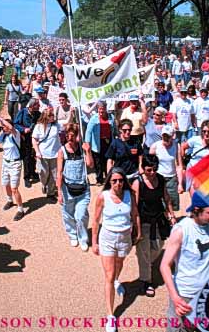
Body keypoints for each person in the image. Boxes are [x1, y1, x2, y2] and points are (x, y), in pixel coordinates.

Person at [160, 193, 209, 332]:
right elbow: (164, 266)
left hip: (208, 293)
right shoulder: (181, 230)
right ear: (197, 210)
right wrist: (175, 298)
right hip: (185, 295)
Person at [92, 167, 141, 332]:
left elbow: (135, 214)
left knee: (119, 263)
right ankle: (111, 315)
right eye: (114, 181)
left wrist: (138, 231)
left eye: (120, 180)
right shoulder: (103, 197)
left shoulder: (130, 195)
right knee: (109, 275)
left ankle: (117, 281)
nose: (118, 184)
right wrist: (94, 242)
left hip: (125, 237)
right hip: (107, 238)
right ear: (109, 182)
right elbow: (96, 220)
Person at [132, 154, 176, 298]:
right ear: (143, 169)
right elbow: (134, 206)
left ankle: (145, 263)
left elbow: (166, 198)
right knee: (144, 251)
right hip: (143, 221)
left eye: (154, 169)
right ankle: (146, 281)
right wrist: (134, 226)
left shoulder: (161, 180)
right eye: (149, 170)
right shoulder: (138, 183)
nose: (152, 173)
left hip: (158, 220)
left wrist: (172, 215)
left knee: (158, 246)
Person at [57, 123, 94, 250]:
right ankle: (73, 235)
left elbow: (90, 165)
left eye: (72, 135)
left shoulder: (83, 149)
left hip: (83, 188)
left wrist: (88, 151)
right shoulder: (62, 151)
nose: (70, 138)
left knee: (81, 215)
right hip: (68, 189)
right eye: (68, 135)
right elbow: (59, 172)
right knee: (68, 214)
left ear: (77, 135)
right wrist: (59, 192)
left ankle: (83, 238)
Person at [0, 115, 25, 221]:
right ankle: (10, 201)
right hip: (5, 163)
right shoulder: (4, 136)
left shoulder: (15, 134)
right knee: (6, 184)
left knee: (14, 188)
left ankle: (20, 209)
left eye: (3, 126)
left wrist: (0, 118)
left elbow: (11, 127)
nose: (2, 128)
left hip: (15, 164)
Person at [181, 120, 209, 195]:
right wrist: (183, 164)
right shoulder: (195, 140)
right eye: (204, 131)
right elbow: (183, 146)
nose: (206, 133)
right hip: (193, 170)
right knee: (194, 198)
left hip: (207, 174)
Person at [149, 125, 183, 210]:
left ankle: (172, 221)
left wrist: (180, 184)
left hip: (171, 178)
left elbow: (179, 166)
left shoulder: (176, 146)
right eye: (164, 136)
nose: (165, 138)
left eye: (168, 136)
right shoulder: (155, 146)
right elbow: (149, 165)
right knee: (161, 204)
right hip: (159, 177)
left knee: (173, 204)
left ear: (172, 137)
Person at [32, 107, 61, 201]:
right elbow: (34, 139)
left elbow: (67, 124)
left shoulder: (56, 125)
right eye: (51, 115)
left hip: (55, 153)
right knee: (43, 173)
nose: (53, 116)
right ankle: (44, 184)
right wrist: (37, 151)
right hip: (43, 154)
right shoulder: (39, 126)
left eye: (53, 115)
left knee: (53, 174)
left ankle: (50, 193)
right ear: (46, 116)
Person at [85, 101, 116, 185]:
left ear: (106, 109)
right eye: (99, 109)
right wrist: (87, 142)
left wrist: (116, 137)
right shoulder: (94, 118)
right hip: (97, 143)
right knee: (98, 162)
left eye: (102, 109)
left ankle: (108, 178)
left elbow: (114, 129)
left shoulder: (111, 117)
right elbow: (88, 131)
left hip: (108, 142)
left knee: (108, 160)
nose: (101, 112)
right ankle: (99, 179)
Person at [14, 98, 40, 188]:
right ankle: (26, 177)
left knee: (34, 155)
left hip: (36, 138)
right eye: (37, 105)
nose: (39, 106)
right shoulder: (22, 112)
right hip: (25, 139)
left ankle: (33, 172)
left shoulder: (37, 113)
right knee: (27, 157)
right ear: (32, 106)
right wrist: (23, 129)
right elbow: (16, 124)